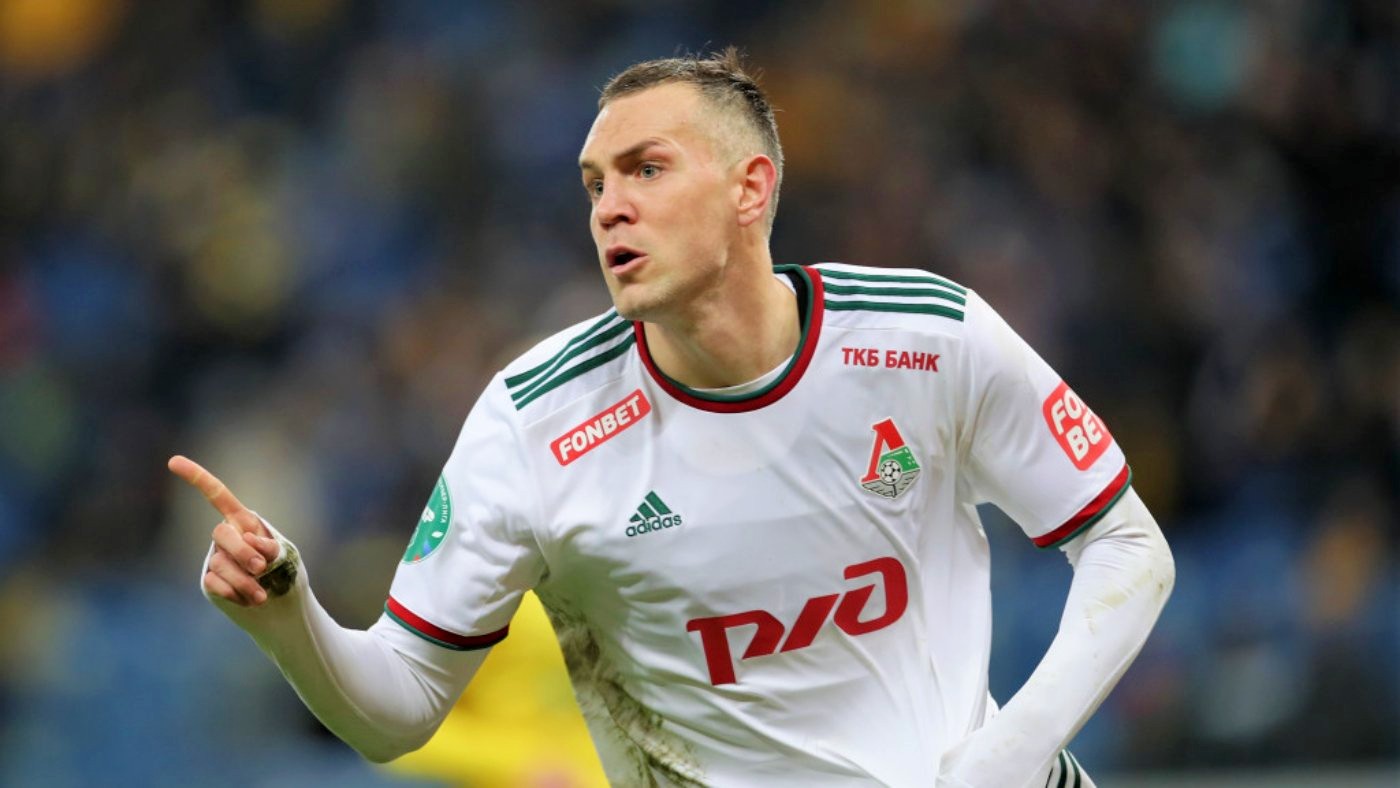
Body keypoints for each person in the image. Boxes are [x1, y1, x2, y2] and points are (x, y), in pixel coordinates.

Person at [170, 48, 1174, 787]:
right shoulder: (536, 423)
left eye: (645, 169)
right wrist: (289, 615)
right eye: (593, 184)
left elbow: (1128, 546)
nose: (609, 206)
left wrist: (1007, 753)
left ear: (750, 189)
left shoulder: (926, 339)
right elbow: (398, 709)